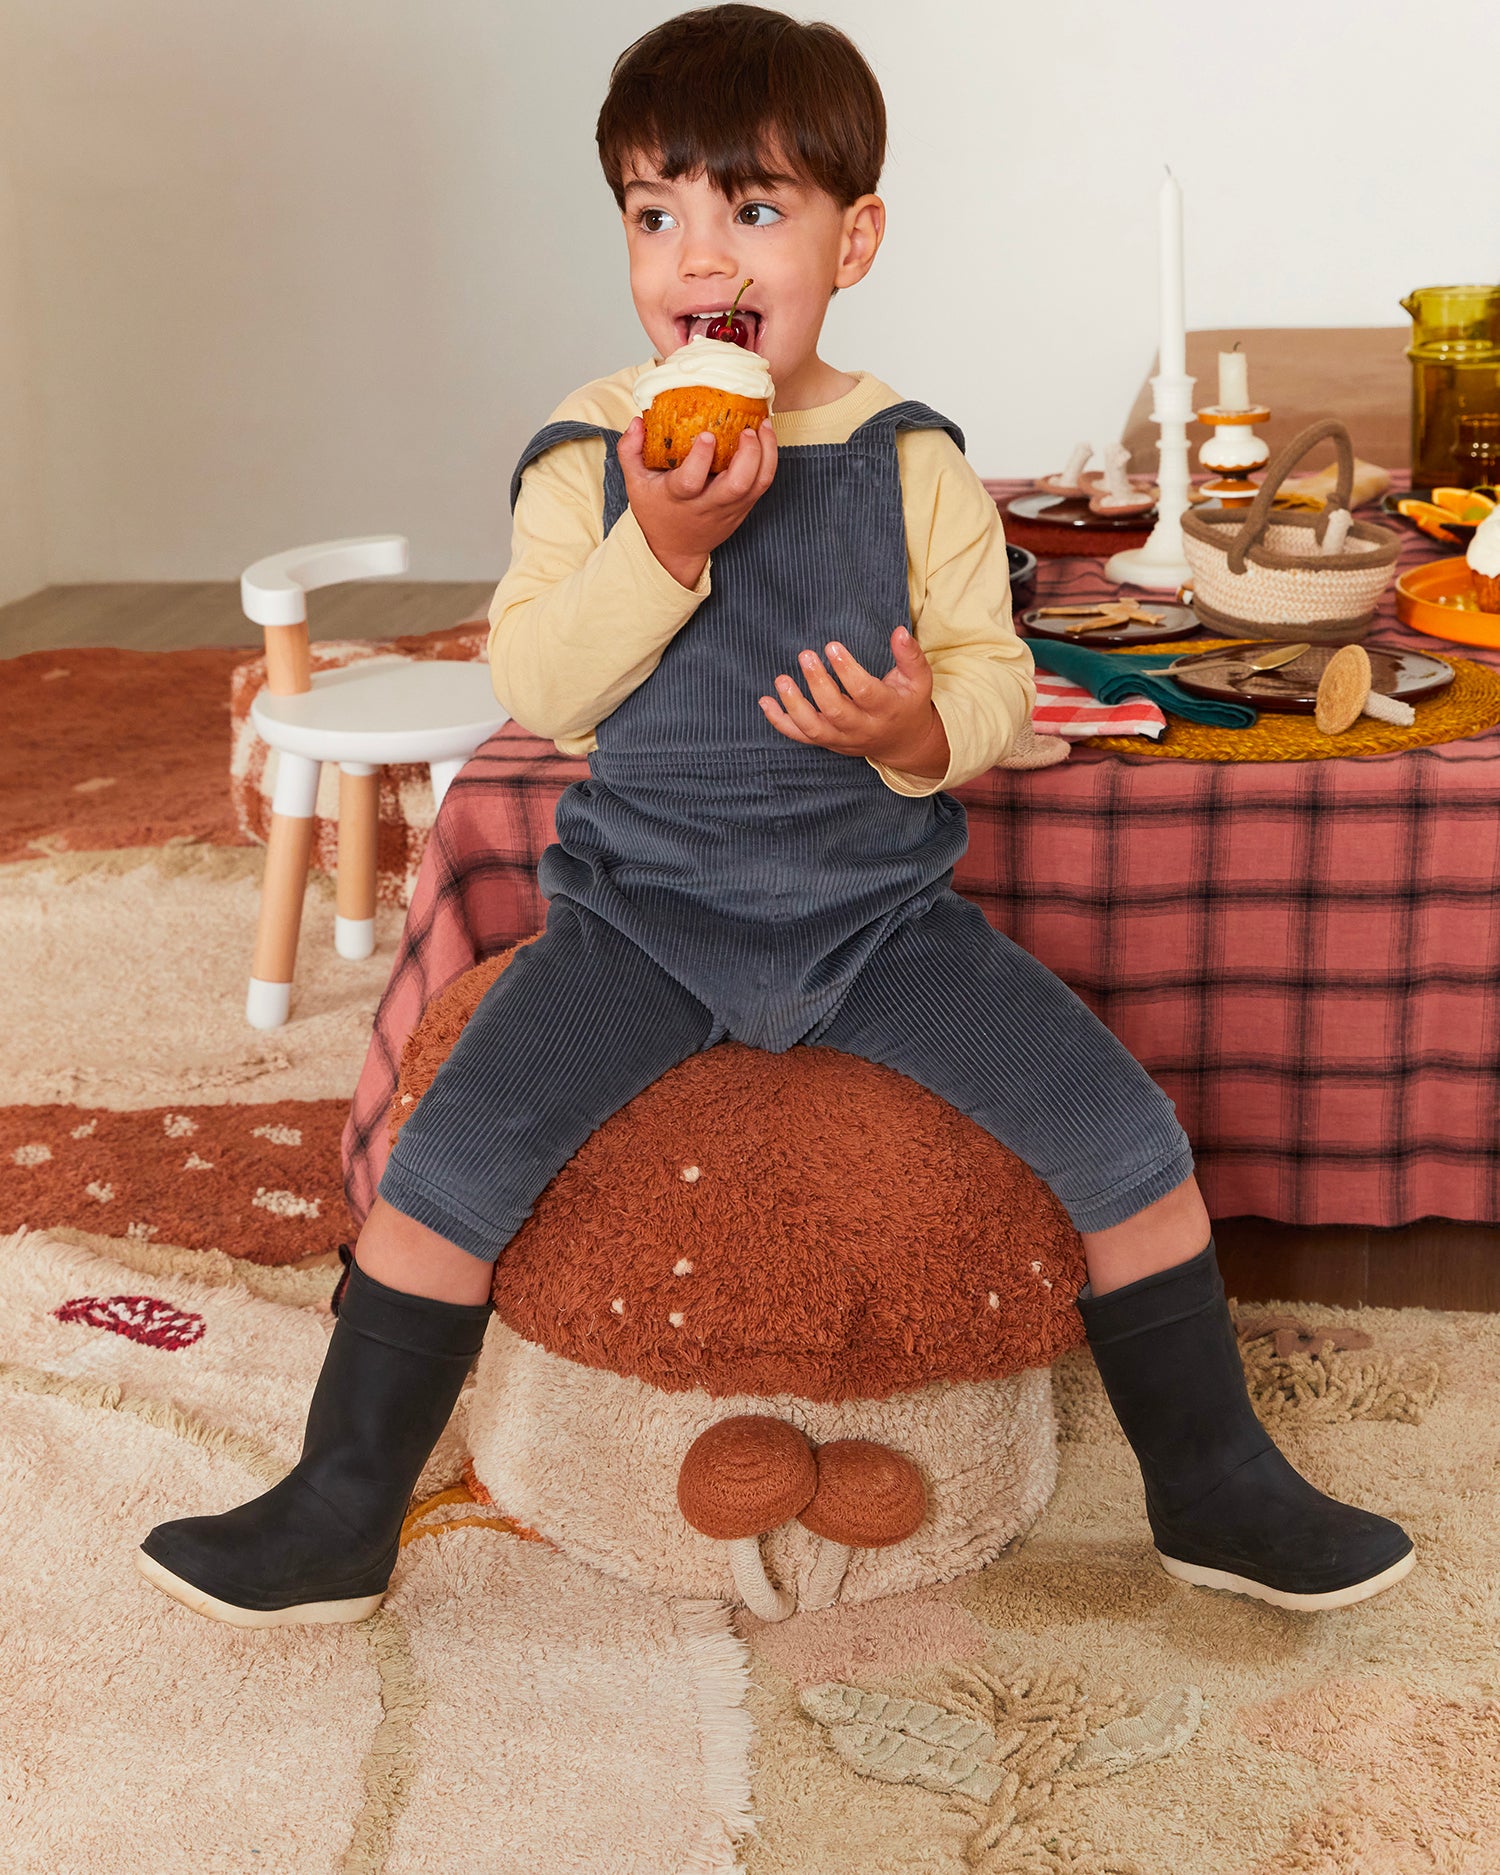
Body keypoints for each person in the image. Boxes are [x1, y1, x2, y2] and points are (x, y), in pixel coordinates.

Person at [138, 3, 1413, 1627]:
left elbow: (999, 690)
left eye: (756, 210)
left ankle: (1215, 1490)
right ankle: (334, 1511)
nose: (700, 255)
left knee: (1126, 1136)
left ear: (853, 237)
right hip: (641, 921)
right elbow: (543, 685)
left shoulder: (910, 463)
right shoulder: (591, 451)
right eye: (657, 213)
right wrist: (659, 549)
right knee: (447, 1160)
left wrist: (917, 730)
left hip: (874, 921)